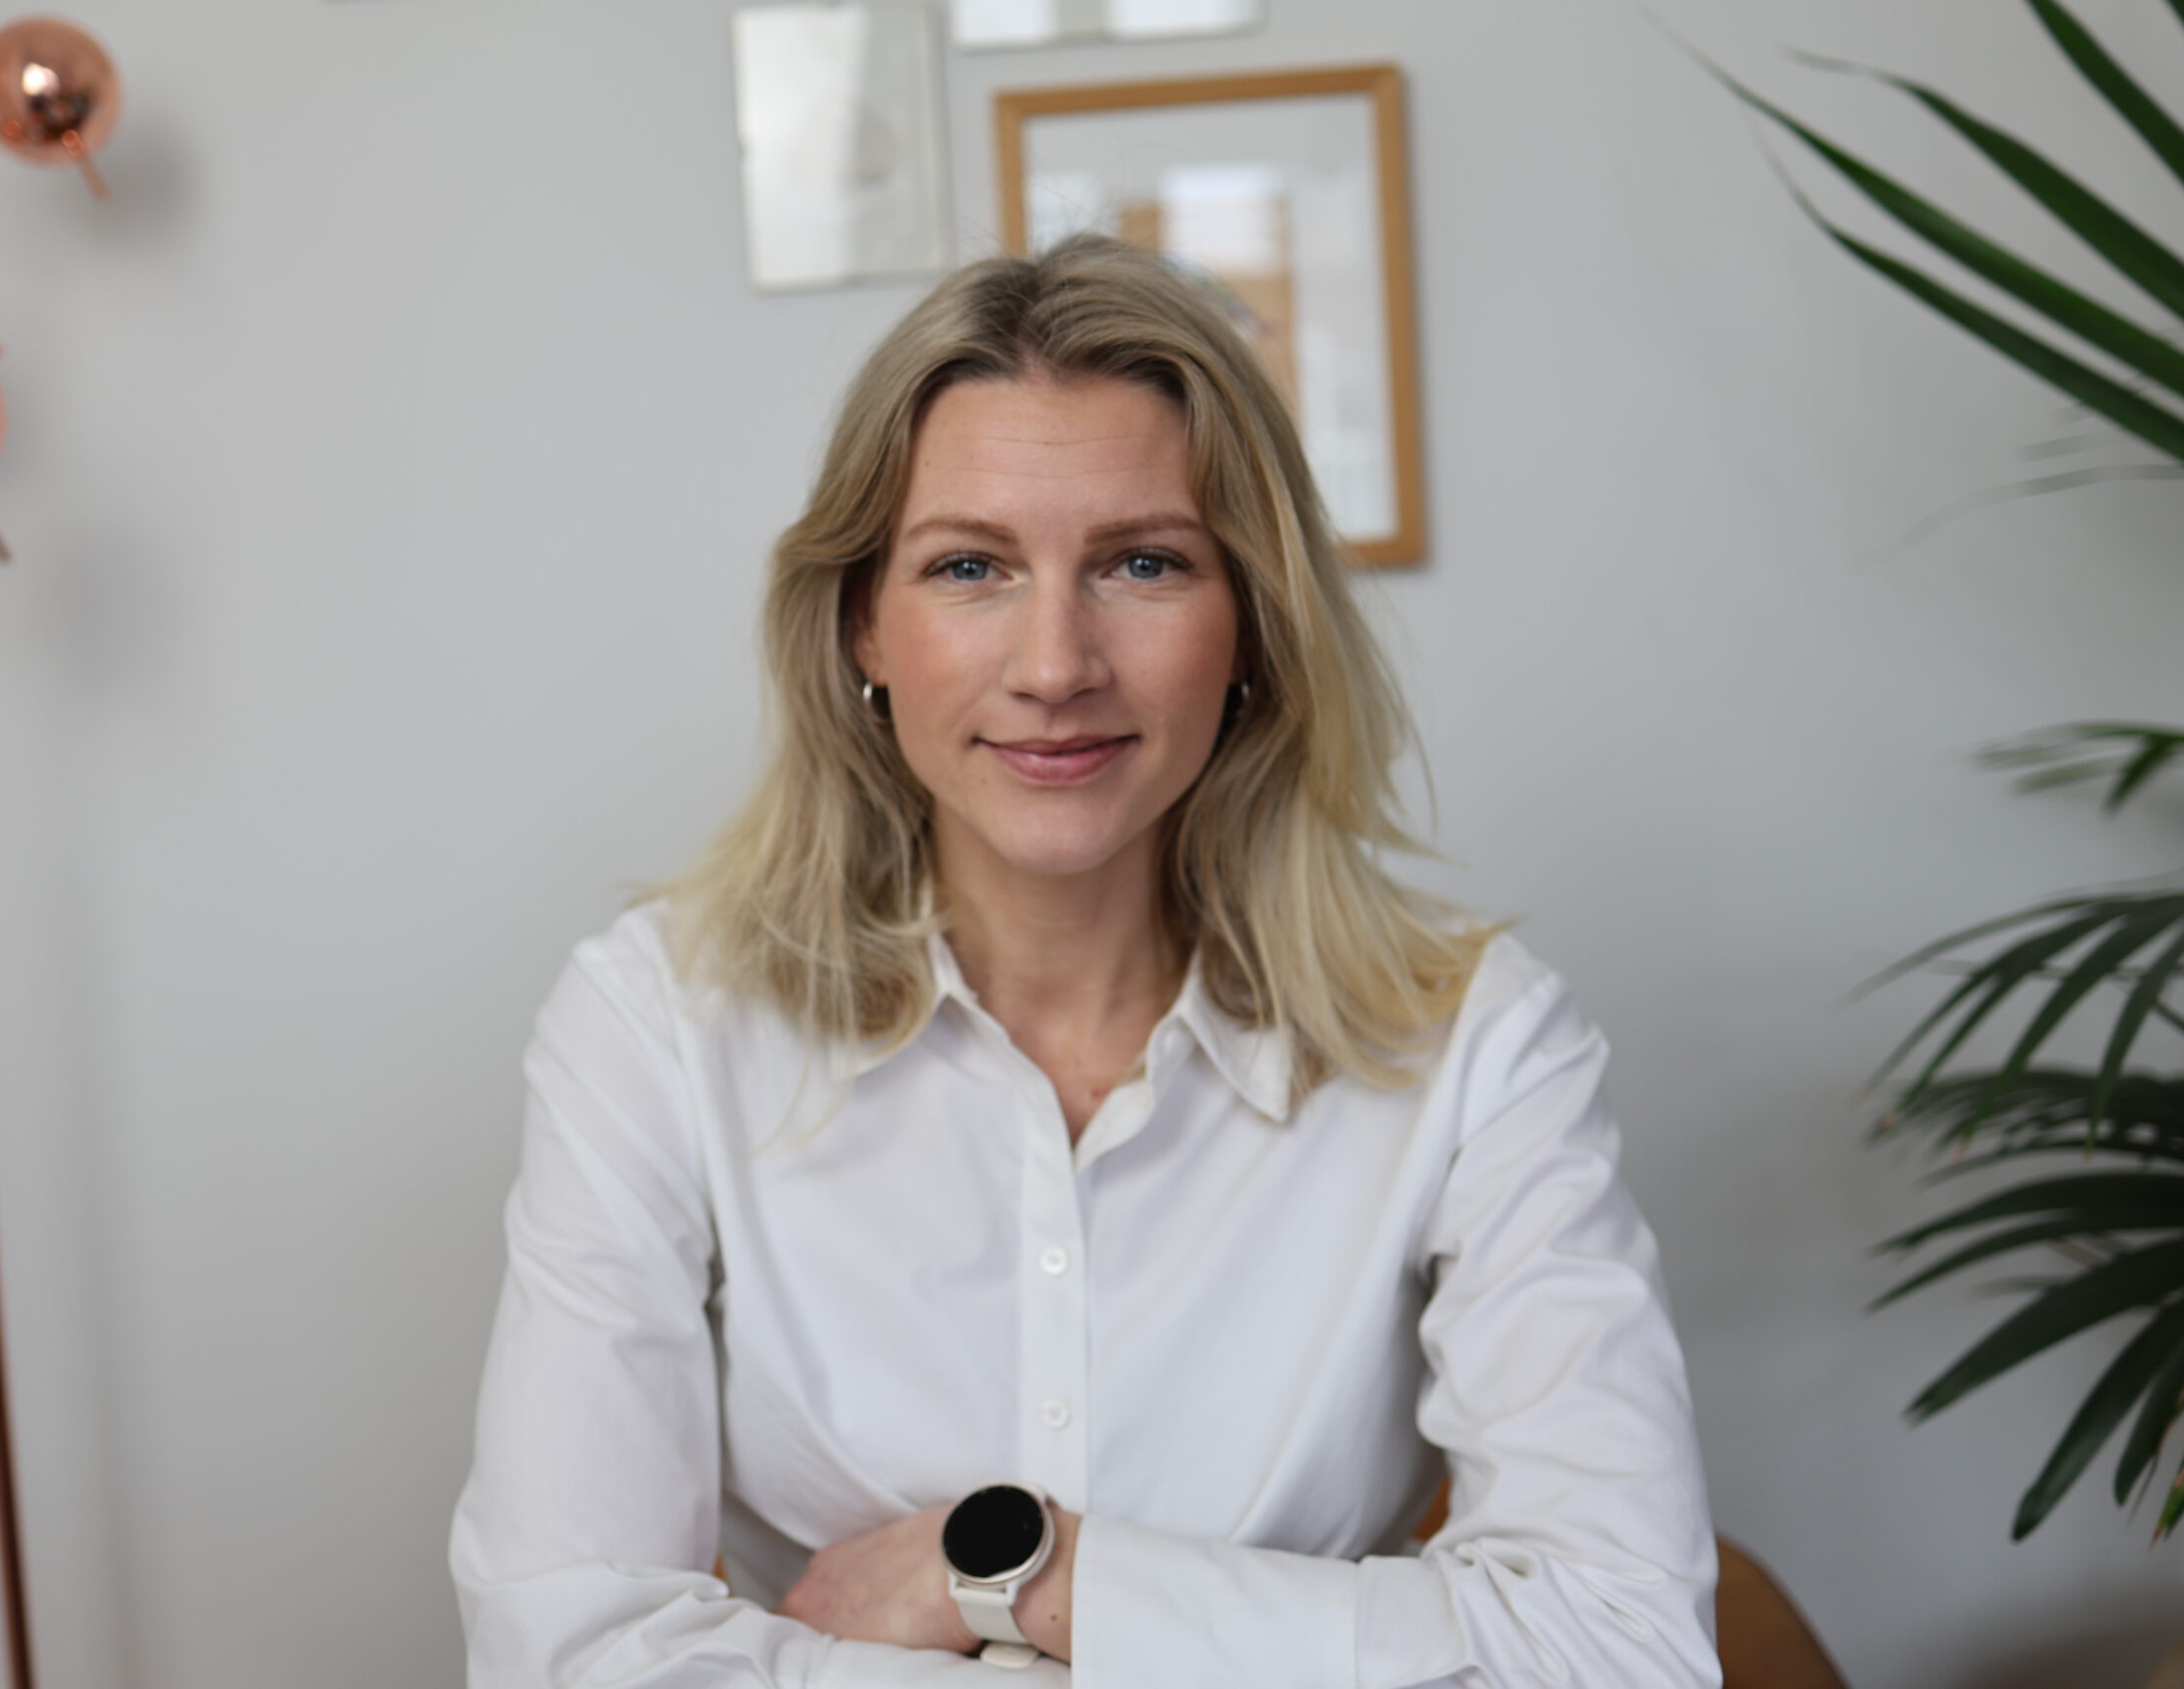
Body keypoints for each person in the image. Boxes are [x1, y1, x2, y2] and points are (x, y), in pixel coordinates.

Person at [449, 235, 1720, 1688]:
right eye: (970, 566)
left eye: (1142, 563)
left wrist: (1023, 1575)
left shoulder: (1481, 1048)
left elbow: (1622, 1648)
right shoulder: (657, 1026)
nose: (1056, 665)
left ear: (1253, 625)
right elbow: (567, 1651)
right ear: (865, 623)